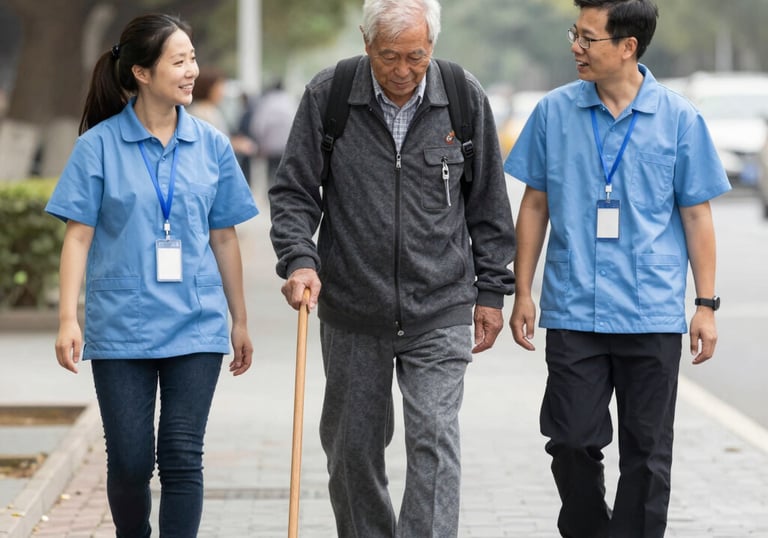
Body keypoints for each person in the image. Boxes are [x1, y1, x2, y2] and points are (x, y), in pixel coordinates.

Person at [268, 0, 516, 535]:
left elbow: (490, 204)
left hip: (440, 304)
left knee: (433, 438)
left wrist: (492, 292)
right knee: (352, 450)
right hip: (354, 307)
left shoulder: (462, 97)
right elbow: (293, 193)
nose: (403, 71)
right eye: (389, 57)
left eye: (416, 57)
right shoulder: (329, 95)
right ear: (365, 43)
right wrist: (300, 260)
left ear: (432, 48)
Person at [504, 1, 731, 536]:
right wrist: (522, 291)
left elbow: (697, 215)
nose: (576, 48)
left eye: (589, 39)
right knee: (571, 440)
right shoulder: (553, 113)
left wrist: (705, 306)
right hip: (574, 307)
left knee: (648, 455)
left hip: (650, 313)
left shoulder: (679, 119)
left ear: (628, 46)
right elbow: (534, 205)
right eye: (574, 35)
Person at [45, 13, 258, 537]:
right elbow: (78, 235)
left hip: (196, 321)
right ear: (141, 72)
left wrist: (240, 320)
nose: (192, 71)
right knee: (132, 460)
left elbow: (225, 236)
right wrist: (68, 318)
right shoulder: (97, 146)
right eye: (178, 61)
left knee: (183, 456)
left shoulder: (212, 145)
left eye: (193, 59)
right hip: (121, 326)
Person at [188, 65, 257, 183]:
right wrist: (237, 145)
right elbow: (211, 144)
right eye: (219, 86)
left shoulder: (207, 110)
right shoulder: (203, 112)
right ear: (208, 87)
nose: (222, 91)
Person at [248, 79, 297, 189]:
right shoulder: (290, 101)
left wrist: (259, 142)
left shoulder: (267, 101)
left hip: (270, 146)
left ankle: (272, 194)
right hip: (287, 145)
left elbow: (258, 125)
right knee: (285, 173)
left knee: (271, 172)